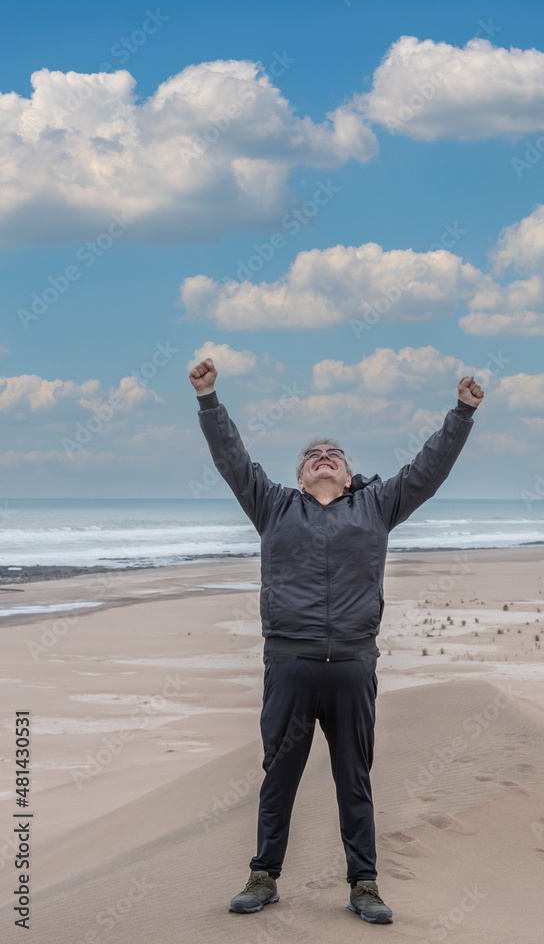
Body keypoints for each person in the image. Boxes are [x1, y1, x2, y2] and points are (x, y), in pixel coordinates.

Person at [189, 356, 484, 924]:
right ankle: (263, 876)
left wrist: (463, 412)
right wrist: (209, 400)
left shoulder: (377, 506)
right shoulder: (272, 506)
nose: (323, 457)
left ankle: (364, 885)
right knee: (279, 777)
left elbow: (429, 468)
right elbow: (231, 459)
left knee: (355, 779)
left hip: (352, 666)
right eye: (312, 456)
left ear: (348, 475)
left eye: (334, 455)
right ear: (300, 478)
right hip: (290, 664)